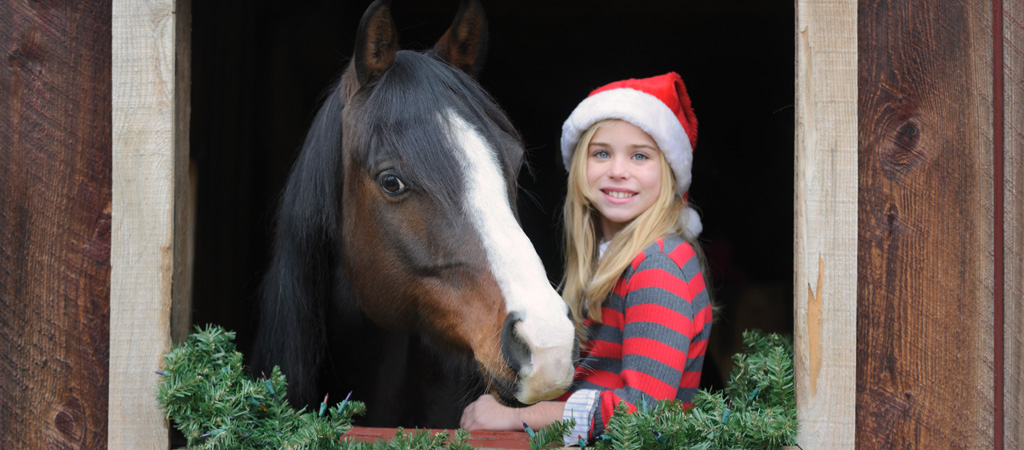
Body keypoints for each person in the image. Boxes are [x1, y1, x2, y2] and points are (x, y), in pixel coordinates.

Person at [459, 72, 713, 444]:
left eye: (640, 155)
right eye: (602, 153)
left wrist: (522, 415)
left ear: (669, 172)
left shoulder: (660, 265)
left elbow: (645, 412)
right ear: (581, 166)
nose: (618, 171)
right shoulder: (613, 260)